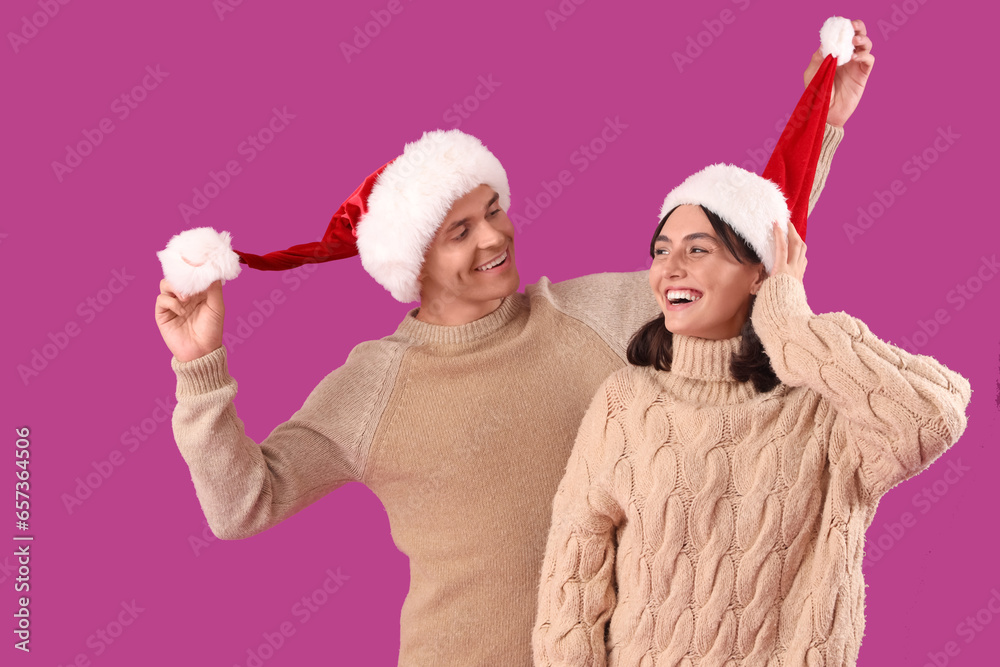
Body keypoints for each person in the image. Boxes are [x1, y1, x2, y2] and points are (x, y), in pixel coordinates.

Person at [155, 20, 873, 666]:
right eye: (460, 230)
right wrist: (199, 365)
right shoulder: (374, 385)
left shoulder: (592, 314)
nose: (495, 236)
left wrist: (823, 122)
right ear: (413, 265)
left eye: (494, 211)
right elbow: (242, 503)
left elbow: (744, 252)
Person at [531, 170, 972, 664]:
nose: (670, 267)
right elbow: (570, 588)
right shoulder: (625, 403)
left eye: (697, 250)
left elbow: (931, 417)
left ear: (759, 273)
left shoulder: (824, 406)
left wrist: (789, 324)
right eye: (661, 250)